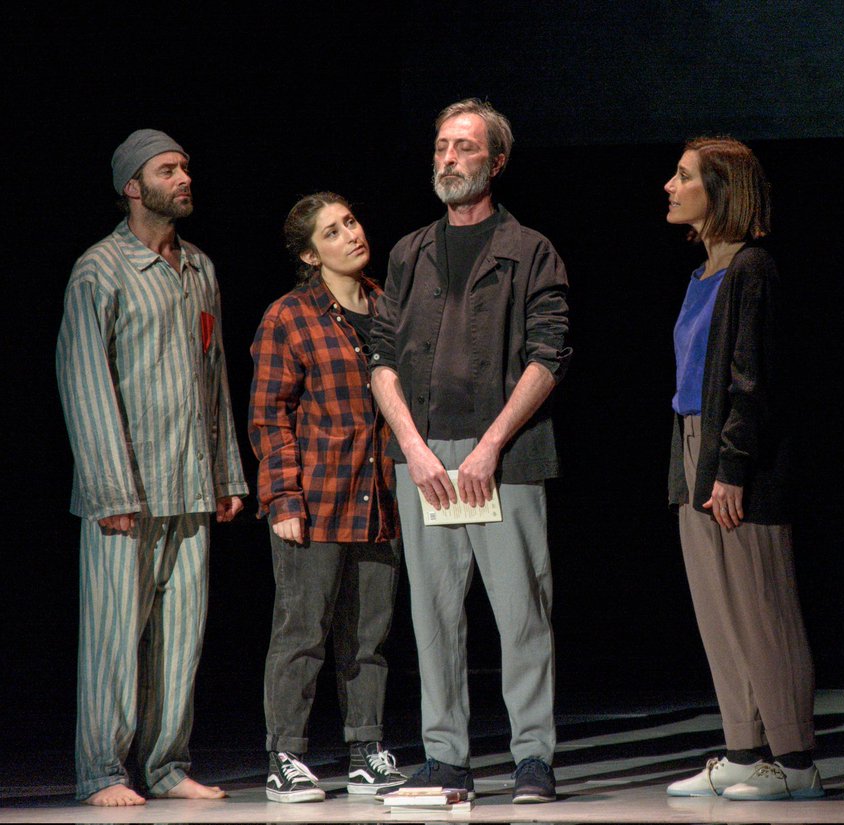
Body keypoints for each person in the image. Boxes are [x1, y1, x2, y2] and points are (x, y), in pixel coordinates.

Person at [370, 98, 570, 804]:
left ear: (496, 161)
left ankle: (532, 756)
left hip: (503, 458)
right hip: (422, 457)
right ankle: (446, 756)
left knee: (521, 613)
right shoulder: (408, 252)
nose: (449, 159)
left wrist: (488, 446)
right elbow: (381, 355)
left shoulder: (530, 249)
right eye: (441, 147)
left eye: (464, 147)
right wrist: (413, 449)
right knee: (433, 614)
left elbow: (550, 354)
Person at [56, 129, 247, 806]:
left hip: (189, 484)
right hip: (127, 490)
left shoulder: (199, 268)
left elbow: (214, 372)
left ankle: (166, 763)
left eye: (186, 167)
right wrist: (110, 485)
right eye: (169, 169)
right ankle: (103, 769)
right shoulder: (99, 269)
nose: (184, 177)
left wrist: (226, 472)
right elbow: (83, 380)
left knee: (180, 636)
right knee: (113, 635)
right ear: (133, 186)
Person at [663, 137, 823, 802]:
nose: (669, 186)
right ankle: (743, 748)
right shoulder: (701, 273)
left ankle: (795, 757)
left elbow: (750, 380)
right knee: (717, 608)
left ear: (720, 191)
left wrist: (731, 467)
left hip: (738, 455)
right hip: (692, 444)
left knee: (762, 607)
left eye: (683, 176)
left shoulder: (751, 269)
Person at [248, 193, 406, 803]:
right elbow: (269, 416)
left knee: (369, 637)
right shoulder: (289, 317)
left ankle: (366, 750)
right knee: (302, 632)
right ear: (312, 255)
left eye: (352, 221)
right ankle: (284, 755)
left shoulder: (390, 306)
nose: (351, 234)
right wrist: (283, 499)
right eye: (332, 232)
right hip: (316, 502)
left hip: (379, 499)